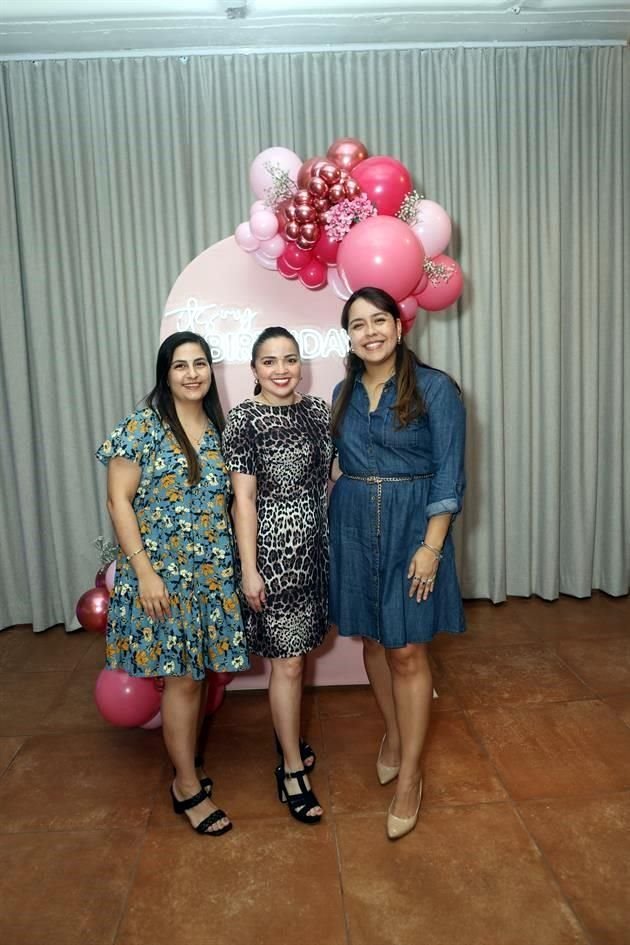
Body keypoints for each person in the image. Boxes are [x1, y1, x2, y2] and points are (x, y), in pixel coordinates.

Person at [96, 330, 249, 837]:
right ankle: (186, 785)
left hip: (211, 576)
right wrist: (143, 573)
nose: (192, 373)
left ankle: (187, 769)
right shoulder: (142, 425)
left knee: (196, 677)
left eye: (200, 363)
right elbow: (119, 501)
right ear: (165, 373)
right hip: (162, 579)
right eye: (180, 365)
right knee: (183, 680)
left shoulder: (216, 428)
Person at [329, 286, 466, 840]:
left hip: (415, 525)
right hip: (356, 521)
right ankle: (391, 733)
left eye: (378, 320)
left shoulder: (436, 388)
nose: (370, 332)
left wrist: (431, 548)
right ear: (350, 336)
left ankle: (411, 776)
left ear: (400, 325)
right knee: (372, 641)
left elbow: (450, 474)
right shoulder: (343, 391)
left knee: (407, 649)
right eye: (358, 324)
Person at [222, 327, 332, 825]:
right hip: (272, 555)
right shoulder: (244, 419)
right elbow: (242, 499)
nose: (282, 369)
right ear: (254, 369)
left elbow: (330, 474)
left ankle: (287, 733)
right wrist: (250, 569)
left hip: (316, 550)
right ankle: (290, 768)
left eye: (290, 359)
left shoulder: (316, 412)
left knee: (300, 657)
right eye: (270, 361)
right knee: (287, 664)